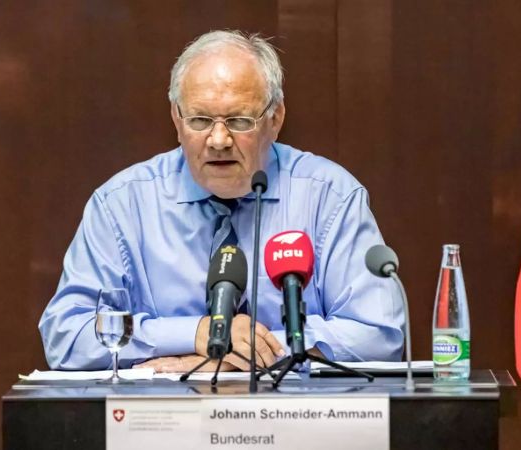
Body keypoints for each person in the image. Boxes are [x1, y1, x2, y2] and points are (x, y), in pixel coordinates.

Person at [39, 30, 404, 372]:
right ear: (176, 119)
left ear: (275, 119)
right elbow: (66, 337)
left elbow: (380, 333)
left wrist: (249, 354)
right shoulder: (122, 205)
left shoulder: (328, 197)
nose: (217, 140)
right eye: (199, 120)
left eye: (239, 120)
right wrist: (197, 334)